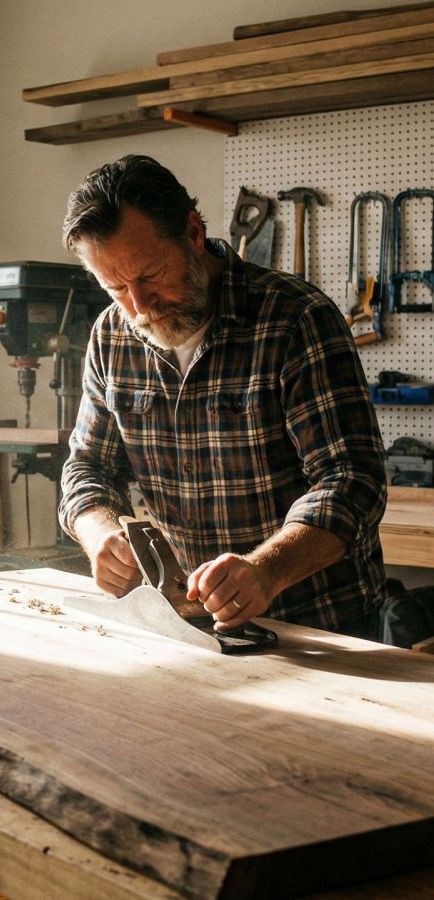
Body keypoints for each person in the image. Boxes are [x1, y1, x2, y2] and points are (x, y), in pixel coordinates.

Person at [58, 154, 386, 638]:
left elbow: (352, 480)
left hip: (318, 625)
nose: (139, 305)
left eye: (150, 275)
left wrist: (266, 570)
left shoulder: (296, 319)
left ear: (193, 233)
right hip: (191, 625)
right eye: (116, 287)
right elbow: (87, 468)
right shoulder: (112, 336)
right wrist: (99, 533)